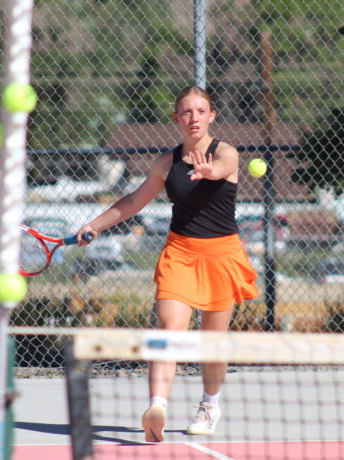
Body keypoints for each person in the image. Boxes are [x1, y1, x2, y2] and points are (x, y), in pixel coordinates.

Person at [75, 85, 259, 442]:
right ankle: (157, 405)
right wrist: (95, 224)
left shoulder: (227, 153)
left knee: (212, 343)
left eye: (201, 111)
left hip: (221, 256)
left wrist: (210, 173)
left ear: (211, 116)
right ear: (177, 119)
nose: (194, 118)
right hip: (180, 253)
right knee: (168, 331)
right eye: (186, 113)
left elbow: (223, 168)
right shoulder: (166, 162)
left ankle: (210, 403)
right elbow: (134, 201)